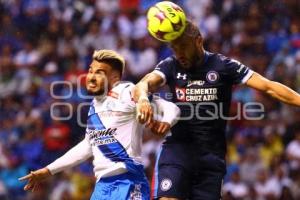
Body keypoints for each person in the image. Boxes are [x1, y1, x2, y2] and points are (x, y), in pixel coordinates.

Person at [134, 20, 300, 200]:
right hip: (178, 150)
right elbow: (144, 83)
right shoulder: (170, 65)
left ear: (198, 41)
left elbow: (269, 87)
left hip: (211, 158)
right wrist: (143, 98)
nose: (179, 53)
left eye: (183, 47)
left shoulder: (223, 65)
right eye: (175, 48)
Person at [19, 49, 180, 200]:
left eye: (99, 72)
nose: (91, 76)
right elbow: (87, 146)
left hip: (128, 182)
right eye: (90, 71)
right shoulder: (95, 106)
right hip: (102, 187)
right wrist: (48, 171)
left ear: (115, 78)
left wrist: (166, 122)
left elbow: (171, 108)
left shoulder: (127, 91)